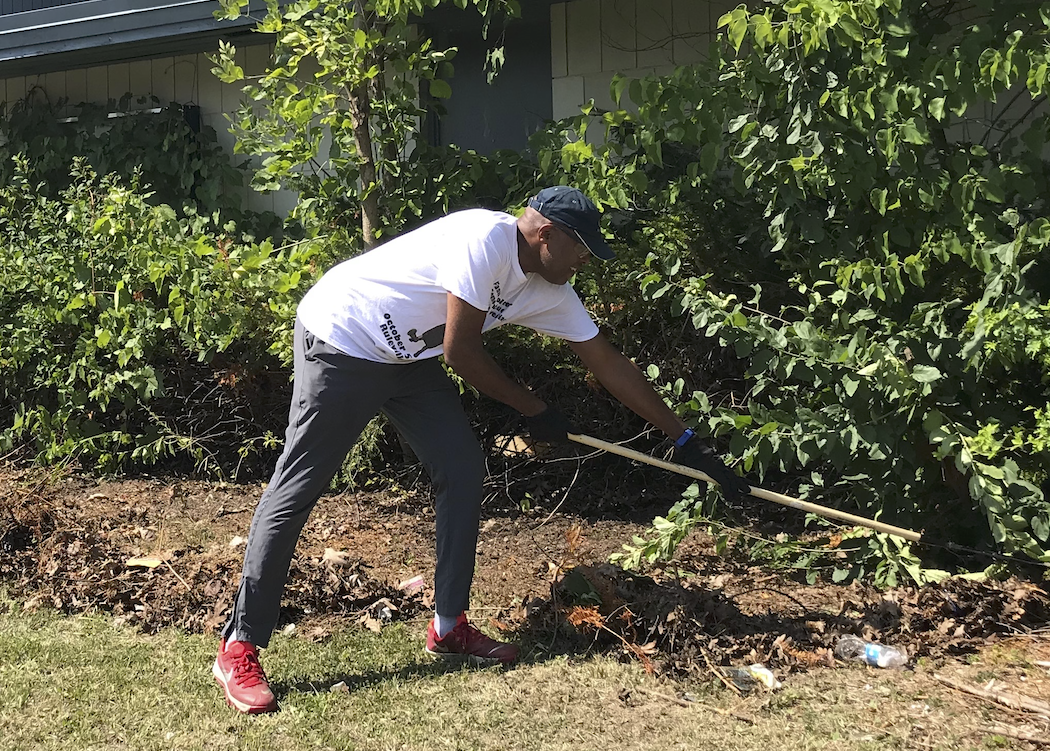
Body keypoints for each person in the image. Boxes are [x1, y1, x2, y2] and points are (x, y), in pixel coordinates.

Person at [212, 186, 750, 714]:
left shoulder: (550, 289)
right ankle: (240, 646)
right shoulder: (482, 239)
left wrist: (685, 441)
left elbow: (607, 362)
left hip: (406, 363)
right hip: (343, 337)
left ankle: (448, 628)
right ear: (544, 232)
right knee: (299, 487)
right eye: (581, 246)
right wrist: (534, 409)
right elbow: (459, 350)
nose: (586, 259)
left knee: (463, 470)